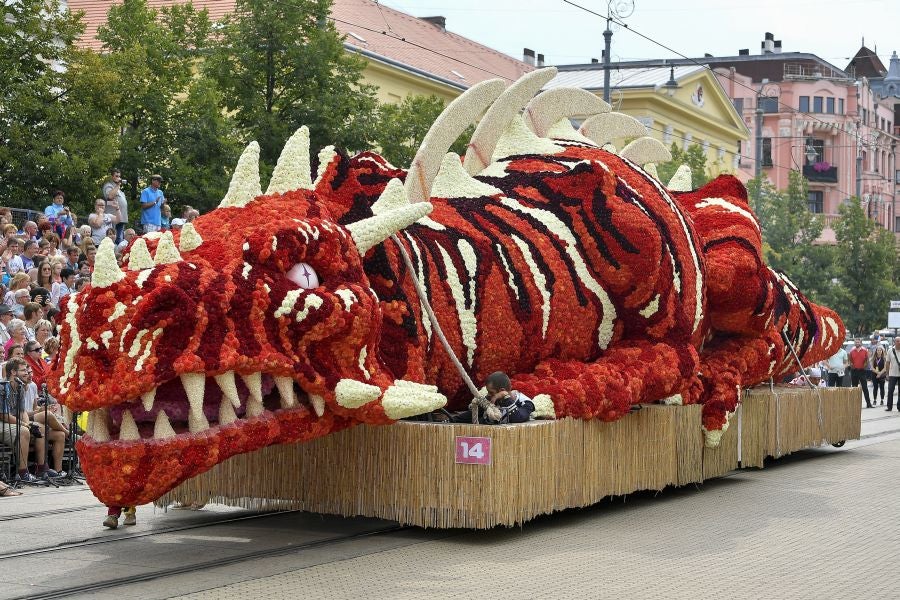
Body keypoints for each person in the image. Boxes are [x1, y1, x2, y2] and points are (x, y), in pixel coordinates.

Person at [0, 358, 51, 482]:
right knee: (24, 431)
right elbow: (3, 415)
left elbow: (22, 412)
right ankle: (22, 472)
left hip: (13, 421)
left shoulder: (20, 387)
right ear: (13, 372)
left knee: (38, 428)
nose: (27, 373)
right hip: (2, 422)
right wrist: (25, 425)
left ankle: (41, 469)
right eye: (23, 370)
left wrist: (29, 425)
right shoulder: (3, 387)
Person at [450, 372, 536, 424]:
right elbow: (472, 415)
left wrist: (505, 396)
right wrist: (451, 420)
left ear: (502, 390)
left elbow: (518, 418)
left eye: (491, 392)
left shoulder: (526, 403)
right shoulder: (492, 398)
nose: (488, 395)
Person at [102, 168, 129, 244]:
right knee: (113, 238)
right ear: (112, 176)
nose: (118, 178)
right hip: (113, 217)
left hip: (121, 218)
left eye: (119, 176)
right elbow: (109, 197)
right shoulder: (108, 186)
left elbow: (118, 202)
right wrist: (118, 185)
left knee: (120, 239)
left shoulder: (118, 189)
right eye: (116, 176)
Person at [848, 338, 872, 408]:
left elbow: (867, 360)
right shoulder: (852, 351)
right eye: (856, 342)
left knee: (865, 388)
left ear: (861, 343)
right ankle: (853, 404)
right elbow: (850, 360)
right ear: (854, 343)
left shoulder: (864, 350)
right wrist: (852, 366)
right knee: (854, 388)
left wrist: (864, 366)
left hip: (862, 371)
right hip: (854, 371)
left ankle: (868, 404)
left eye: (858, 342)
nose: (857, 343)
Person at [884, 337, 900, 412]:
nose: (899, 342)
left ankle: (899, 406)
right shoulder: (890, 350)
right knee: (890, 390)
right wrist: (887, 373)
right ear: (894, 342)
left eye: (899, 341)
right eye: (897, 341)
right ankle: (889, 406)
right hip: (892, 373)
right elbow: (887, 363)